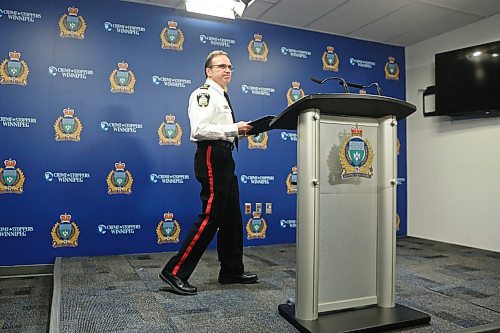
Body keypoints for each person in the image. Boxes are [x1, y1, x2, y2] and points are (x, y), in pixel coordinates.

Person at [159, 50, 257, 295]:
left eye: (230, 67)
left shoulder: (221, 95)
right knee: (211, 215)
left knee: (232, 216)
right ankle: (174, 272)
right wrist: (235, 128)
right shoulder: (203, 94)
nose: (227, 71)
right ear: (208, 71)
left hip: (224, 156)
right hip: (212, 155)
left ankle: (231, 270)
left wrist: (237, 131)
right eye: (221, 66)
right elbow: (199, 130)